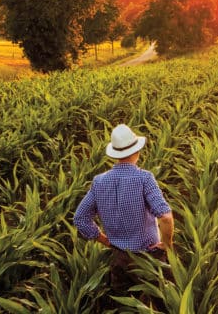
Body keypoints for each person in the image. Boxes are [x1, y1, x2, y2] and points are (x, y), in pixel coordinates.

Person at [74, 123, 174, 293]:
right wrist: (167, 244)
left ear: (115, 154)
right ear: (137, 151)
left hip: (119, 258)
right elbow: (165, 217)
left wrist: (105, 240)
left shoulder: (99, 181)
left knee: (124, 304)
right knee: (161, 302)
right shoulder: (144, 178)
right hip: (149, 257)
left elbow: (80, 218)